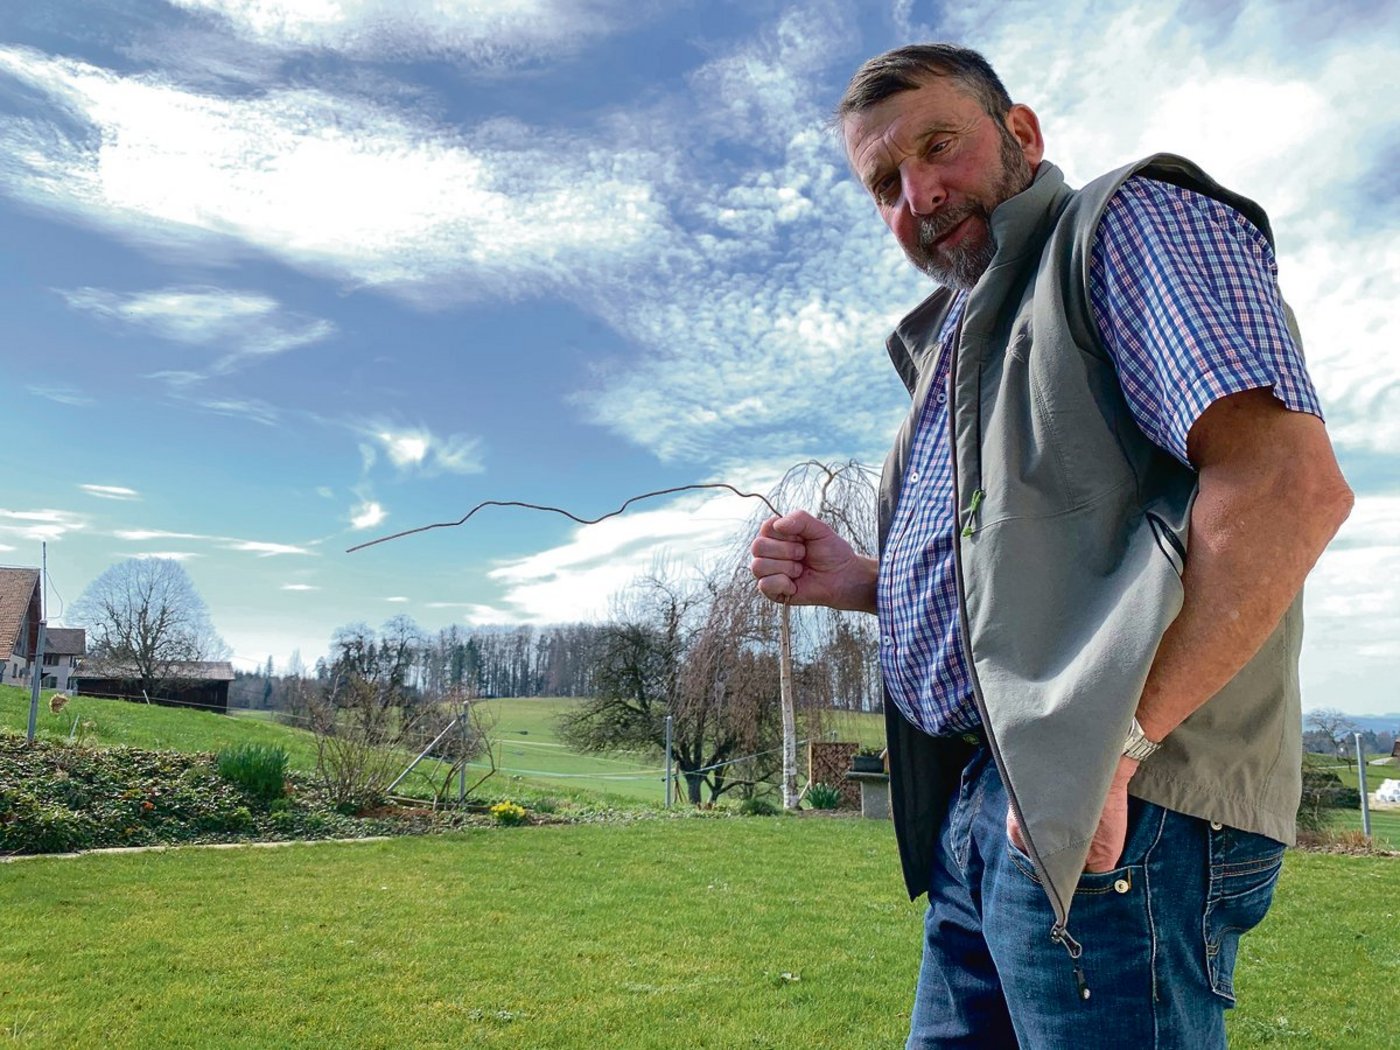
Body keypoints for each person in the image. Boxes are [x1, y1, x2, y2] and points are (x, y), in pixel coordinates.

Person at [749, 44, 1352, 1049]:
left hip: (1124, 803)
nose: (920, 194)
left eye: (937, 146)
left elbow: (1286, 490)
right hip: (987, 803)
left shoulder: (1126, 225)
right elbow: (1028, 568)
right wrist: (863, 582)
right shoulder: (960, 342)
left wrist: (1108, 754)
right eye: (885, 184)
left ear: (1019, 134)